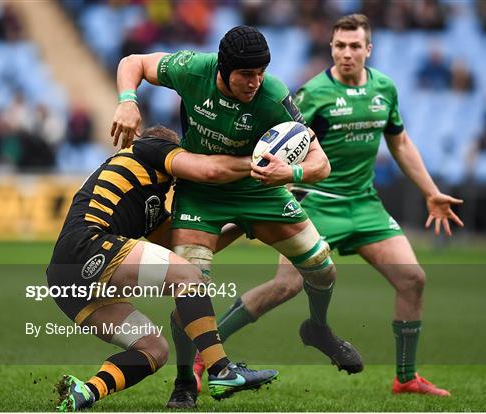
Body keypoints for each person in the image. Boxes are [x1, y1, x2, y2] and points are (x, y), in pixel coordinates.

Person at [202, 14, 464, 397]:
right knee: (285, 286)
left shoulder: (385, 89)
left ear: (368, 49)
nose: (346, 53)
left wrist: (430, 190)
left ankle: (406, 378)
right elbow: (278, 148)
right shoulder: (312, 95)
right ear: (331, 49)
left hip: (364, 204)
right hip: (317, 203)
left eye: (355, 46)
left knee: (413, 279)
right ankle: (202, 356)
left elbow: (401, 143)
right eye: (340, 46)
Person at [111, 25, 363, 408]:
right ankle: (183, 382)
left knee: (322, 268)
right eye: (247, 74)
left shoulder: (274, 95)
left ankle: (319, 329)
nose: (255, 82)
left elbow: (320, 162)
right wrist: (128, 100)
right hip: (200, 195)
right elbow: (134, 62)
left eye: (261, 73)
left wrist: (289, 174)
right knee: (189, 289)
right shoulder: (192, 69)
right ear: (222, 70)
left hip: (259, 190)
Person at [47, 125, 278, 411]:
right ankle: (221, 369)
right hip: (88, 245)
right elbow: (206, 170)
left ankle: (85, 392)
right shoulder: (148, 148)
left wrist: (244, 224)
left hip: (64, 279)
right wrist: (259, 165)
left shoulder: (149, 197)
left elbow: (179, 246)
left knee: (154, 350)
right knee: (190, 276)